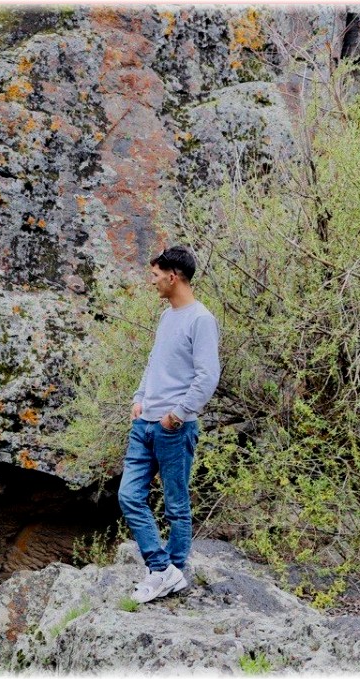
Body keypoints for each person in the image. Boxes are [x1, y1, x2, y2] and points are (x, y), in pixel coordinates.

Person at [119, 245, 220, 604]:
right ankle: (163, 570)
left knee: (176, 506)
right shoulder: (167, 317)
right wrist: (139, 396)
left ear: (173, 276)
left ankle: (169, 571)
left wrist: (176, 415)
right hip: (144, 424)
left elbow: (208, 377)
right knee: (129, 496)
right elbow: (154, 362)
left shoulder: (200, 319)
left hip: (173, 428)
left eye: (156, 275)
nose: (153, 281)